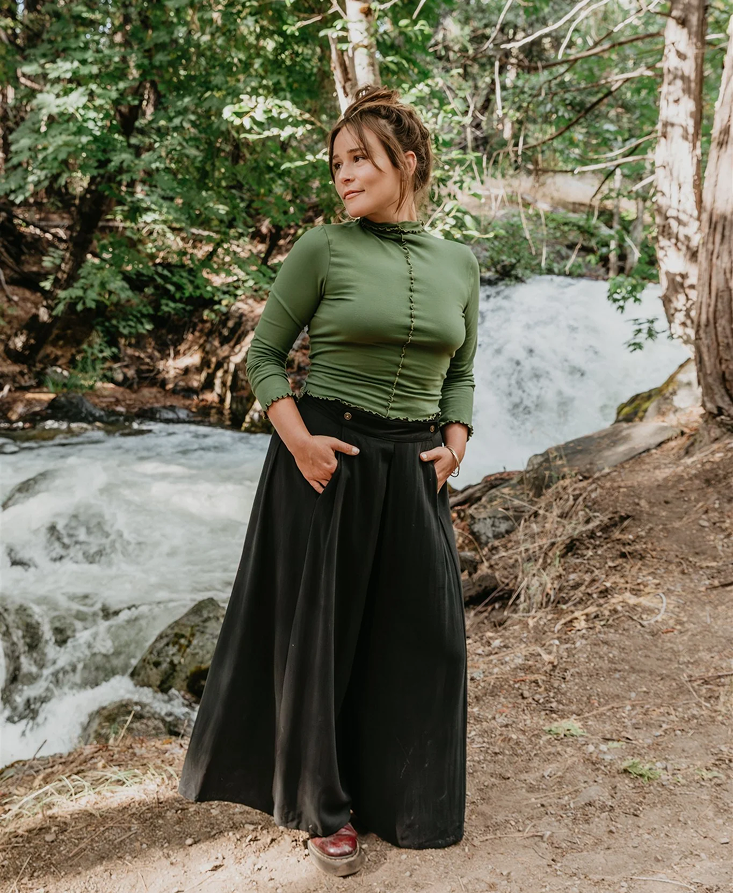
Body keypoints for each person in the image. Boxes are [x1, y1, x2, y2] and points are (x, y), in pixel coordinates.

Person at [177, 84, 480, 878]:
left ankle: (405, 796)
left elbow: (460, 372)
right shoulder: (323, 248)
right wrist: (301, 442)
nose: (343, 175)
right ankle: (324, 808)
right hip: (327, 459)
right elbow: (264, 356)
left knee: (428, 638)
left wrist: (454, 443)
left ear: (405, 162)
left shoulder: (458, 263)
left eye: (358, 160)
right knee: (326, 638)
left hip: (414, 464)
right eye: (337, 163)